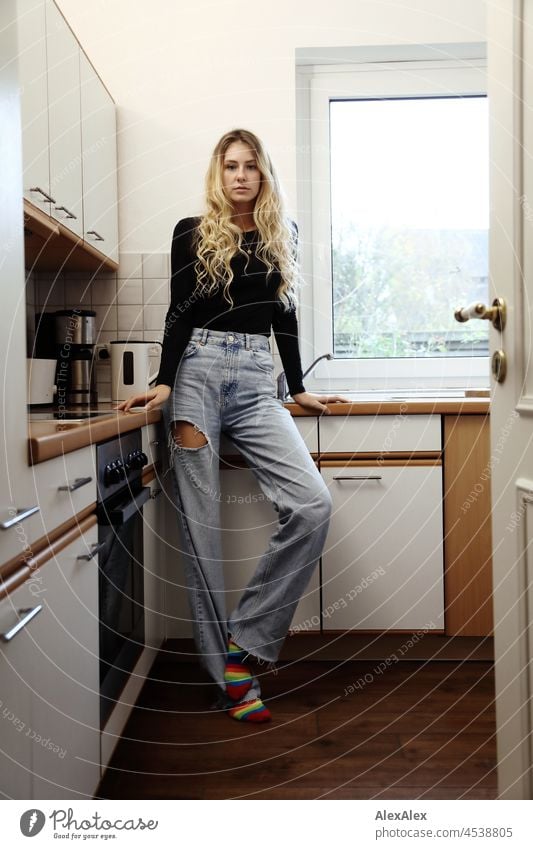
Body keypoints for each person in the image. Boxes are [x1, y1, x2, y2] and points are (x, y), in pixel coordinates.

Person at [117, 128, 348, 722]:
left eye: (250, 166)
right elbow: (179, 309)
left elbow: (285, 320)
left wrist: (296, 389)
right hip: (195, 373)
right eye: (230, 167)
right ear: (218, 176)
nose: (240, 176)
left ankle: (246, 639)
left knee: (312, 504)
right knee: (202, 532)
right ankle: (231, 682)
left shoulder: (281, 235)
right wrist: (166, 381)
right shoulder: (191, 233)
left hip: (255, 378)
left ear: (264, 174)